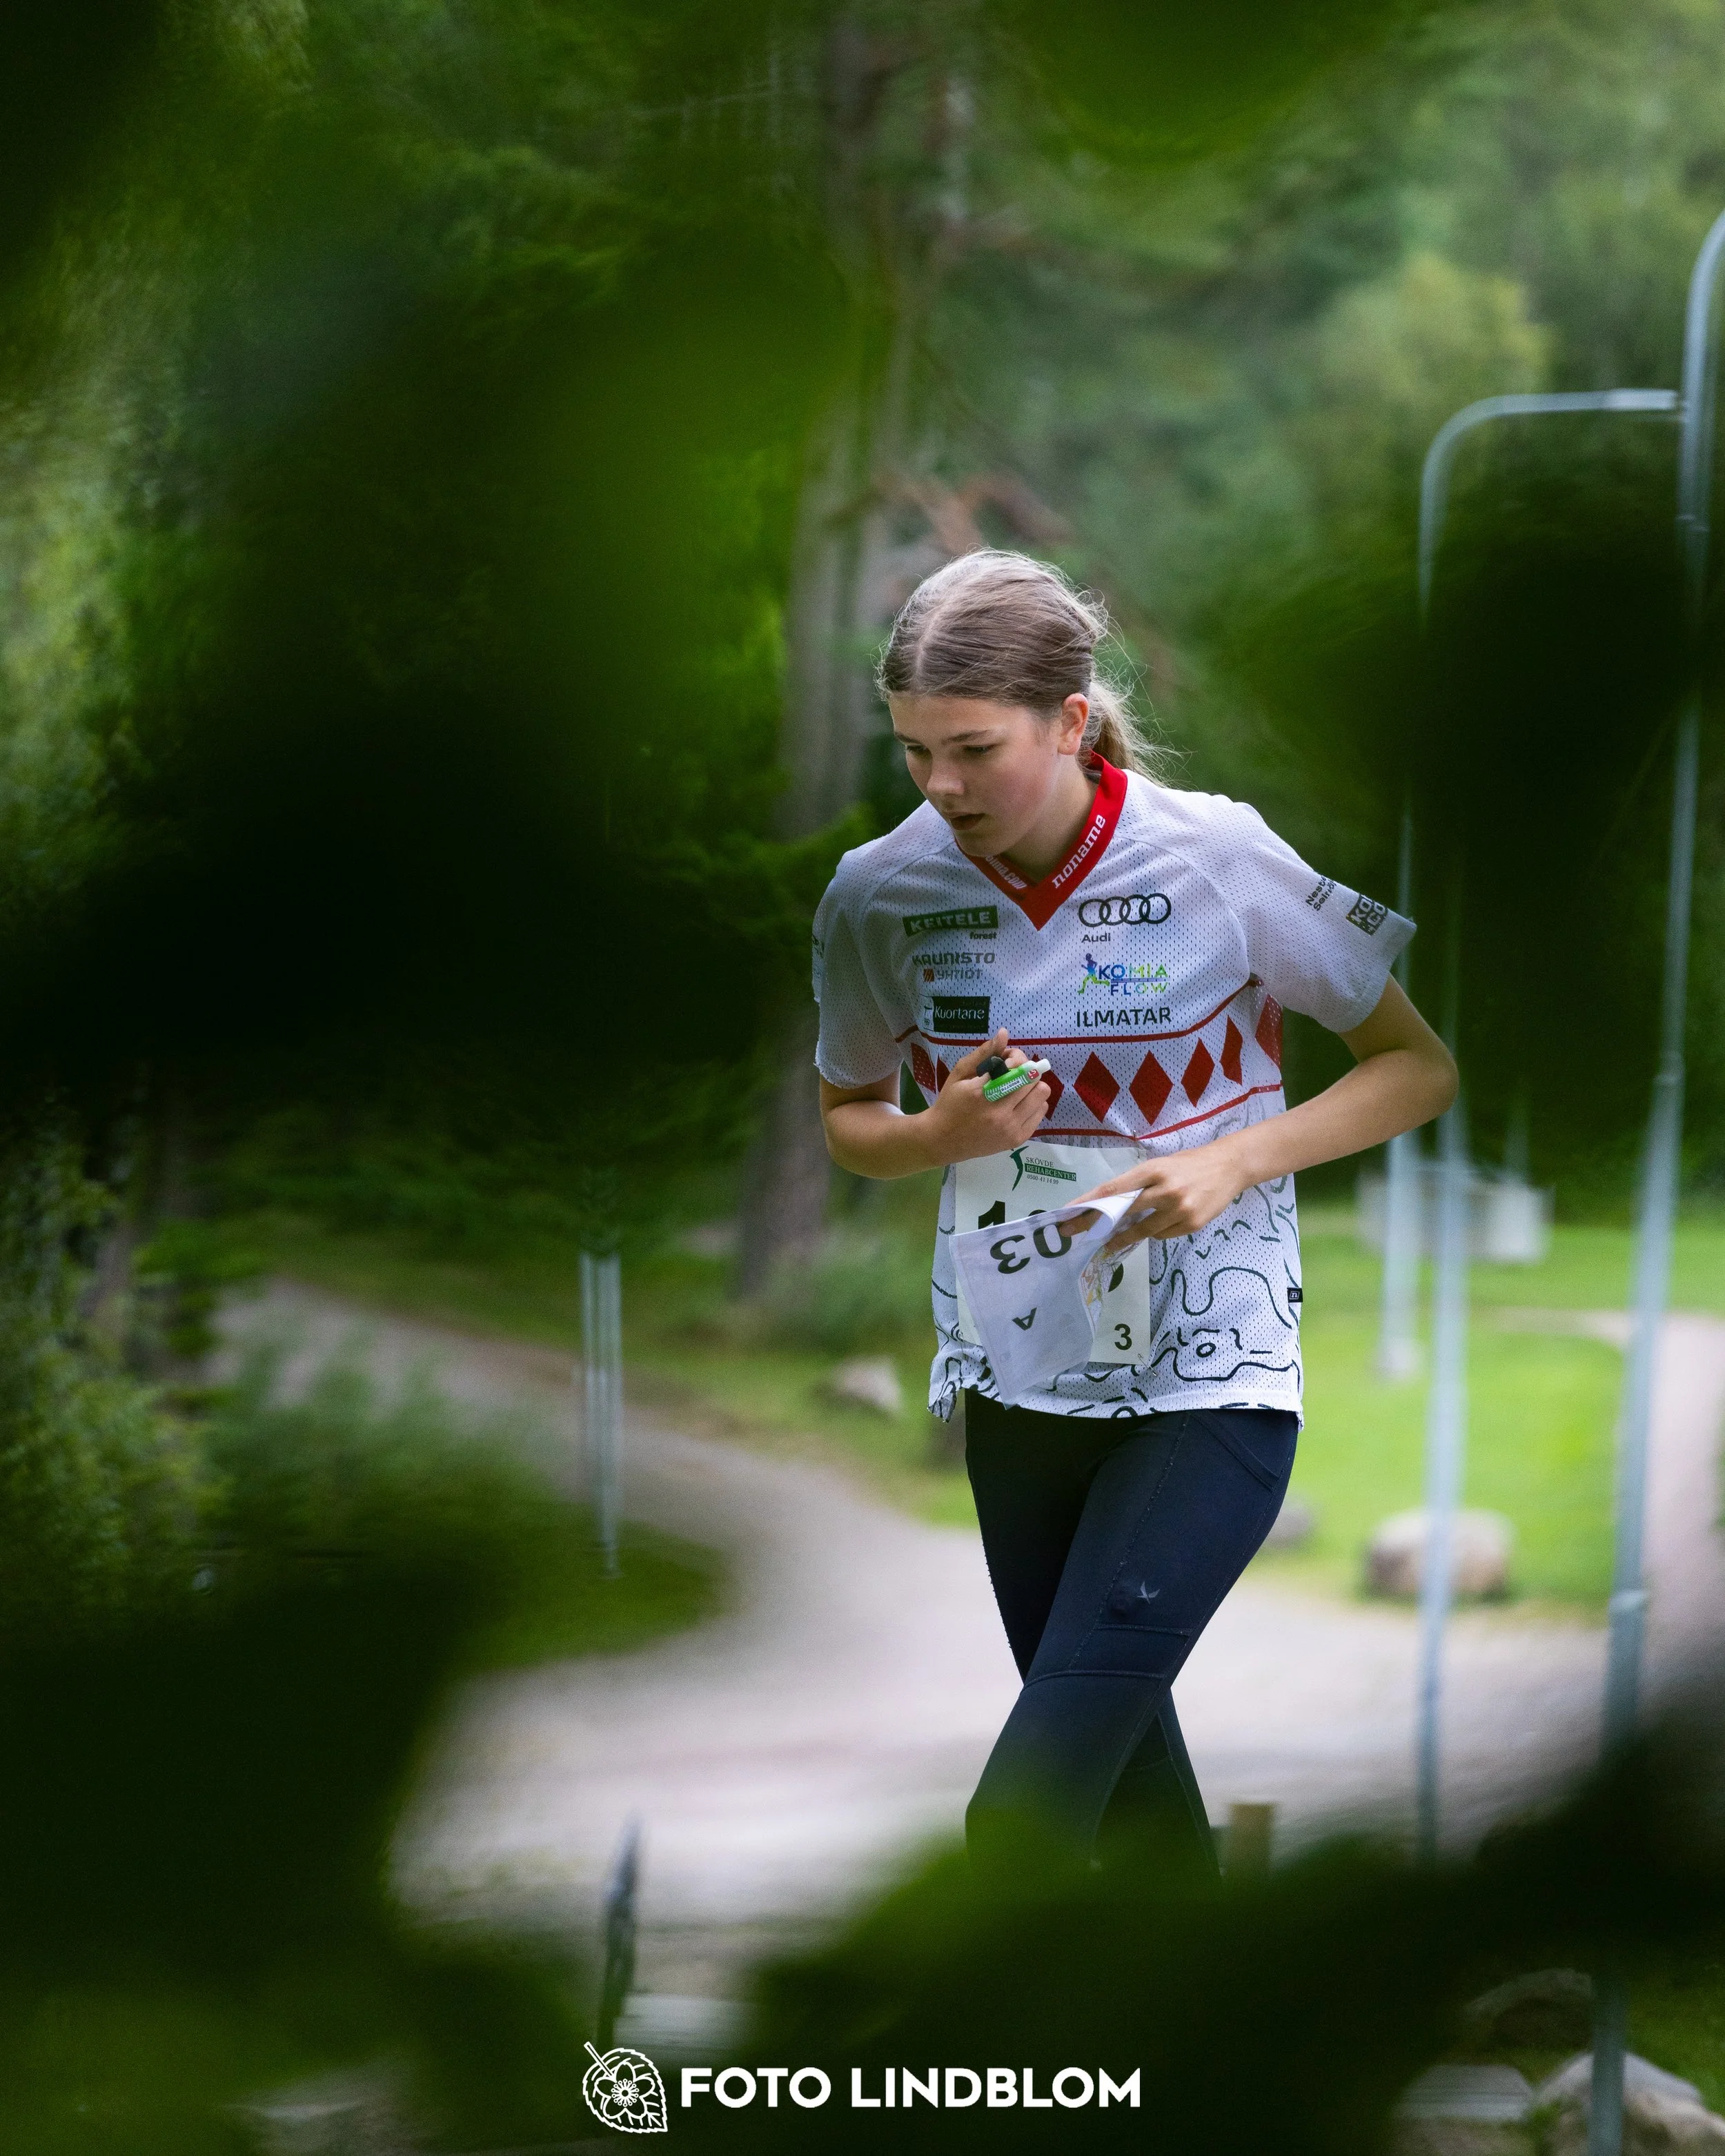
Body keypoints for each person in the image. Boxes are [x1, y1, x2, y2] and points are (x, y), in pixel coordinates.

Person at [811, 549, 1457, 1885]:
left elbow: (1415, 1065)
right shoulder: (878, 892)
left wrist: (1232, 1159)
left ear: (1066, 717)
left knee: (1027, 1810)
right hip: (1018, 1371)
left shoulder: (1214, 851)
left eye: (972, 747)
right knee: (1131, 1816)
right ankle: (1213, 2077)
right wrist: (934, 1132)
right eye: (914, 750)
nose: (938, 783)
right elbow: (847, 1118)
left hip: (1206, 1377)